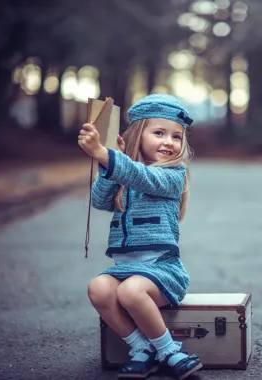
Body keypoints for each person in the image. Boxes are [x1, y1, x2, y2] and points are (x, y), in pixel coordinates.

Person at [78, 94, 202, 380]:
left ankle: (170, 350)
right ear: (137, 135)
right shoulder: (125, 172)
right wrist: (110, 163)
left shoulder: (173, 175)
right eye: (159, 133)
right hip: (126, 271)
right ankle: (141, 348)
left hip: (162, 271)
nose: (169, 142)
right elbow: (100, 200)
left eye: (177, 136)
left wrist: (106, 155)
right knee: (98, 287)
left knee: (130, 291)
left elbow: (143, 177)